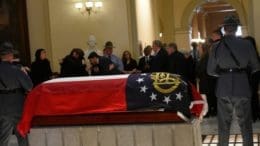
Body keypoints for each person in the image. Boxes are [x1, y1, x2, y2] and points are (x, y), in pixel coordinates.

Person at [207, 15, 260, 146]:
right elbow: (256, 67)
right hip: (242, 86)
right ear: (236, 29)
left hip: (223, 87)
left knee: (223, 125)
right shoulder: (247, 44)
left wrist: (223, 73)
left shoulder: (216, 47)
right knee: (245, 125)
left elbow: (210, 71)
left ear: (224, 29)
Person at [0, 42, 33, 146]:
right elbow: (29, 86)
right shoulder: (17, 69)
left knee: (3, 138)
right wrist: (24, 72)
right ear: (11, 55)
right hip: (17, 106)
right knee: (22, 135)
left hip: (2, 106)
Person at [196, 43, 217, 116]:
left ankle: (210, 111)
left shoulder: (206, 57)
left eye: (199, 48)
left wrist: (198, 72)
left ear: (203, 49)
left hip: (207, 80)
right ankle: (211, 111)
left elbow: (203, 69)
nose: (198, 49)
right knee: (208, 97)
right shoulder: (205, 56)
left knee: (209, 97)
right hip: (206, 80)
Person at [244, 36, 260, 121]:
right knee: (254, 96)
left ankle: (253, 115)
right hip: (253, 78)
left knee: (250, 97)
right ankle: (255, 113)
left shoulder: (246, 55)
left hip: (249, 78)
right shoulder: (256, 54)